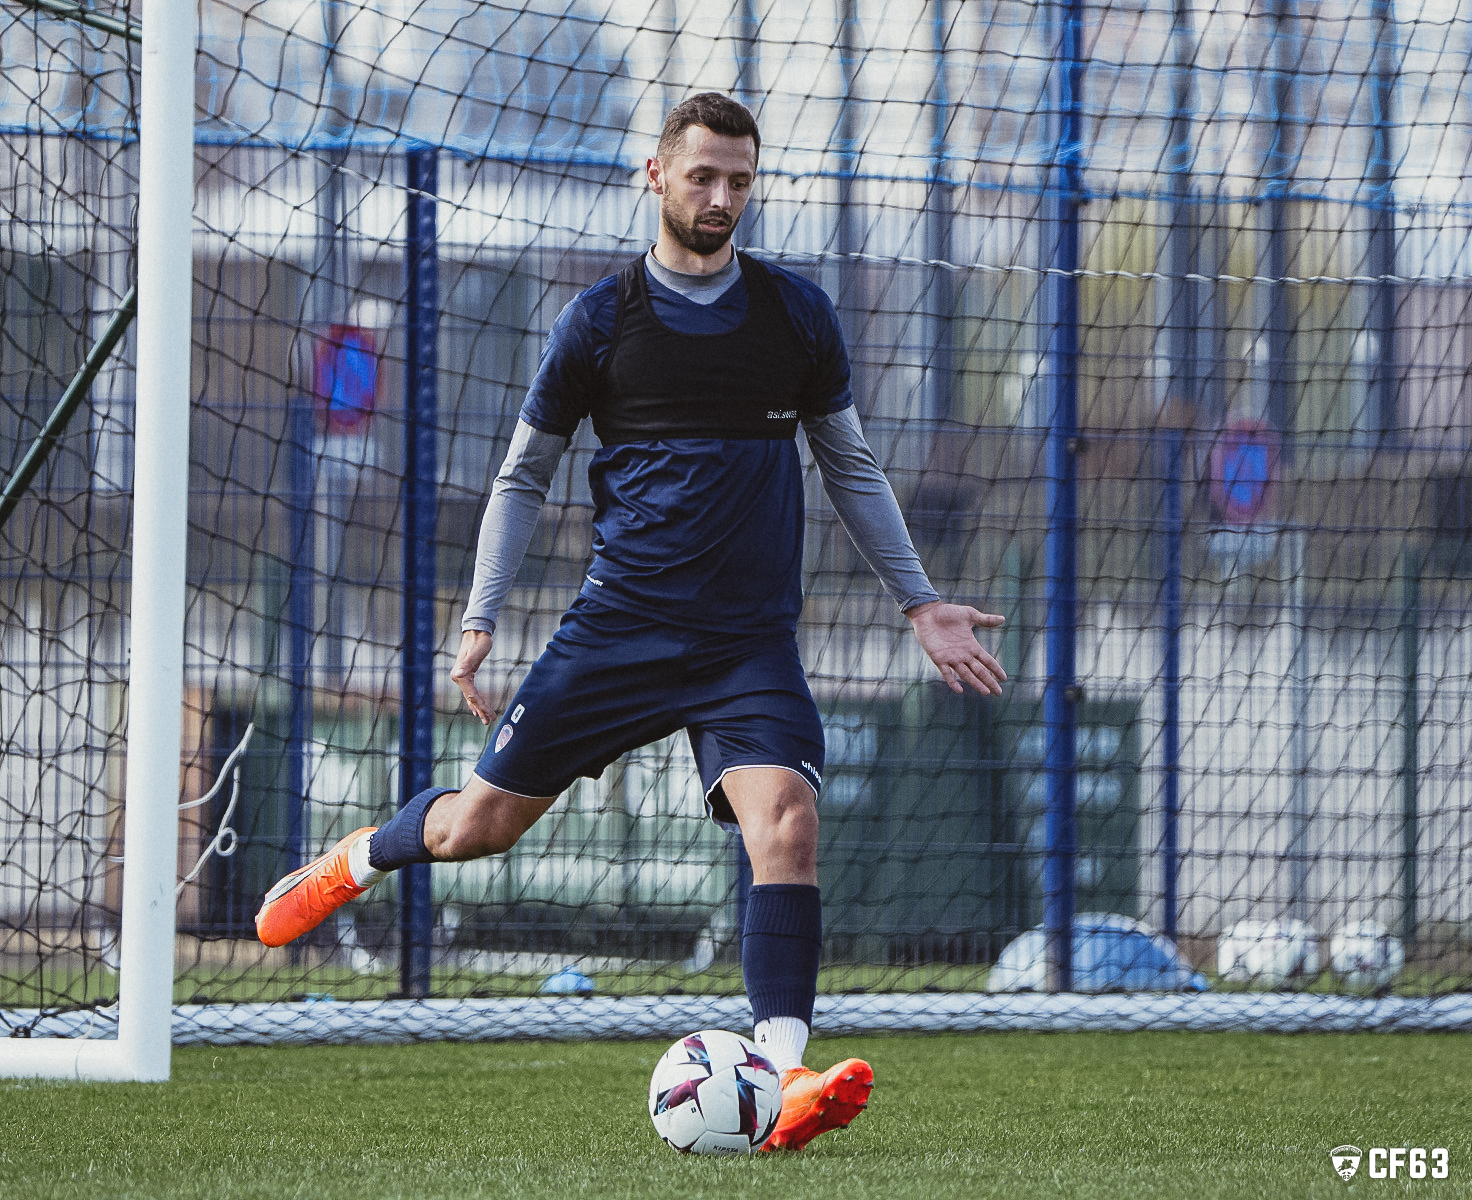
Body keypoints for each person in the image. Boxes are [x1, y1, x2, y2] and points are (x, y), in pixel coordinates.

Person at [256, 92, 1007, 1151]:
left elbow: (849, 463)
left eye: (739, 180)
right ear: (656, 176)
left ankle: (786, 1079)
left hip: (748, 644)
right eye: (702, 176)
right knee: (479, 829)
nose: (721, 198)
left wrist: (921, 603)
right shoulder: (598, 322)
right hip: (618, 631)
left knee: (786, 822)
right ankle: (356, 860)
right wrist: (480, 618)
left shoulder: (795, 315)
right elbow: (523, 479)